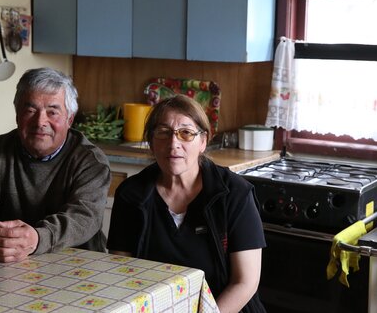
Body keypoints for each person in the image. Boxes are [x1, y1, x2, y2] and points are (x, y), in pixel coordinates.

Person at [107, 94, 266, 313]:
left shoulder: (235, 193)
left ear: (203, 141)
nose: (174, 143)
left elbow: (245, 283)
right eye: (163, 132)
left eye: (186, 133)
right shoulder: (131, 194)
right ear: (151, 142)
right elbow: (121, 271)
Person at [0, 67, 111, 263]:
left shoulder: (90, 161)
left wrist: (38, 238)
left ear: (69, 119)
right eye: (30, 111)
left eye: (53, 112)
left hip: (76, 264)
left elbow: (84, 217)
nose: (40, 122)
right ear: (17, 115)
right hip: (8, 263)